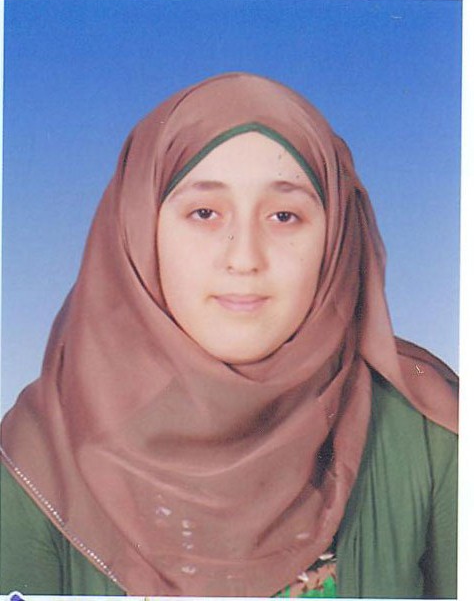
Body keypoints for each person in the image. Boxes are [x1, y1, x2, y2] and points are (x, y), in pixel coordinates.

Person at [0, 72, 458, 598]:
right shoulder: (40, 458)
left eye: (284, 215)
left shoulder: (431, 438)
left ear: (335, 237)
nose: (244, 257)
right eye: (204, 213)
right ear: (140, 229)